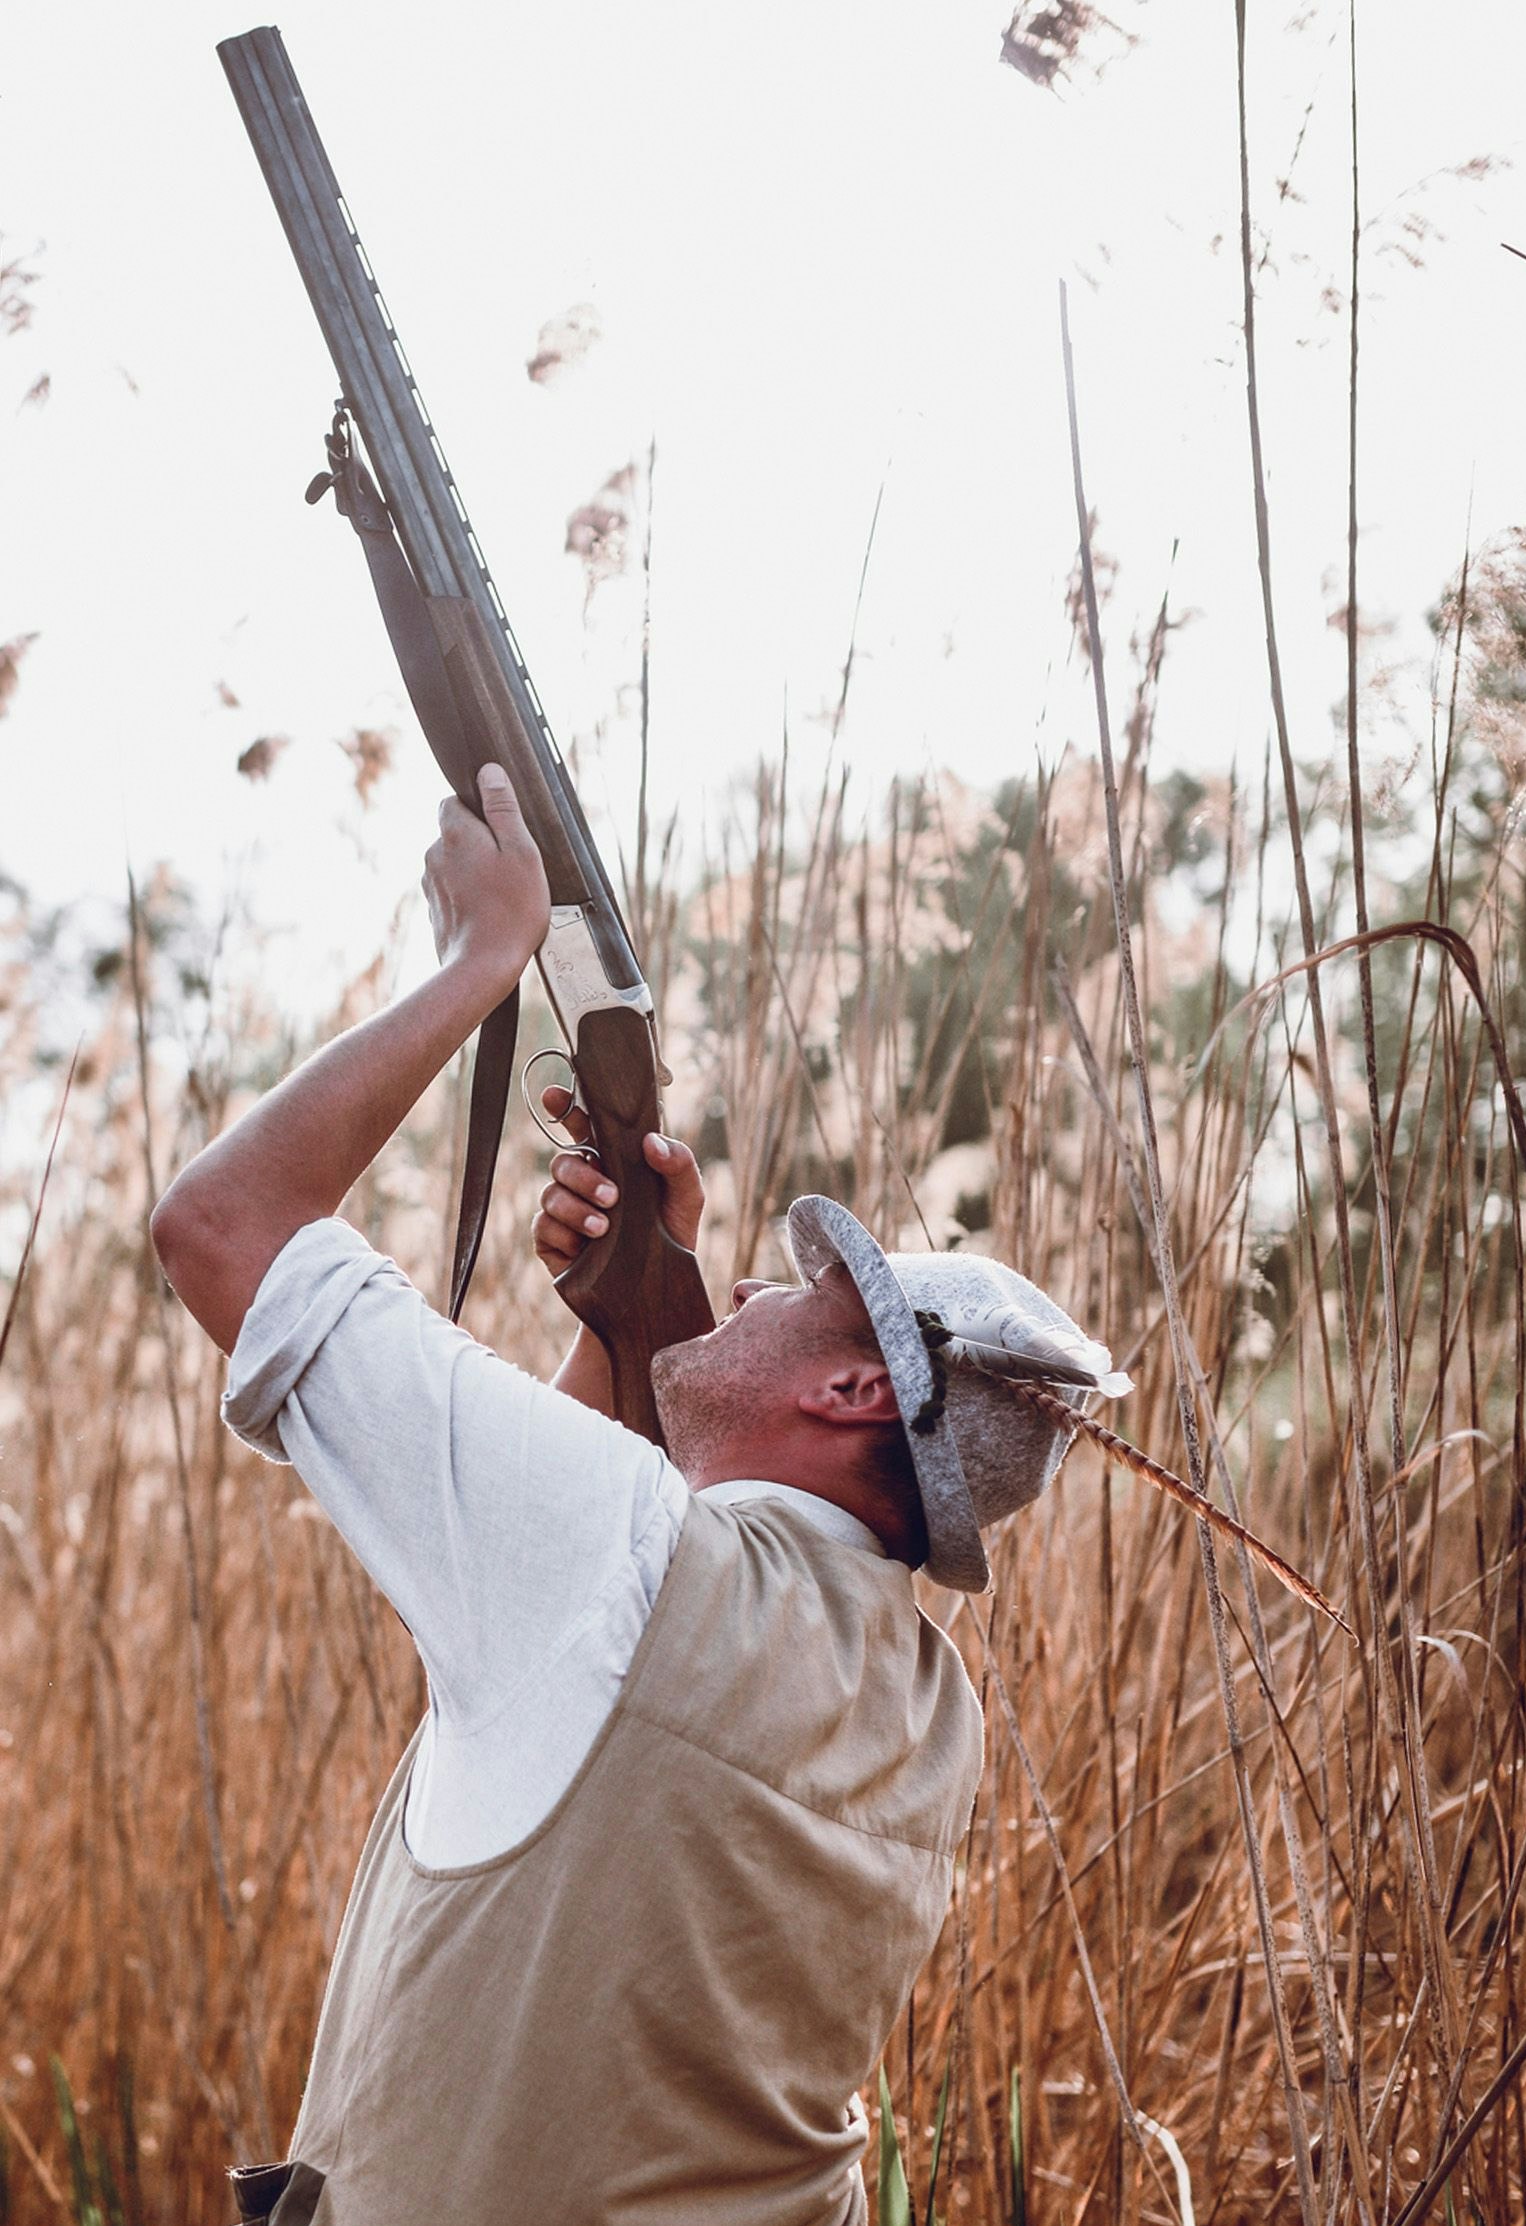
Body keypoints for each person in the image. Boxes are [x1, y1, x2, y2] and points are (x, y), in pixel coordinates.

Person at [148, 766, 1131, 2224]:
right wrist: (620, 1333)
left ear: (854, 1390)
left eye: (807, 1293)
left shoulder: (625, 1562)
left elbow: (221, 1227)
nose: (750, 1288)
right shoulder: (931, 1717)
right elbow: (557, 1696)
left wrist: (482, 959)